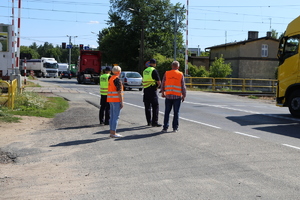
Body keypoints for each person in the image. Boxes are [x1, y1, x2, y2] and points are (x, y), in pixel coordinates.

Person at [161, 61, 186, 133]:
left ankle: (165, 127)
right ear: (178, 67)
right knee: (176, 112)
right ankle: (175, 128)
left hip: (168, 96)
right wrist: (184, 95)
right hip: (177, 96)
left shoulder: (167, 73)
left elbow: (163, 83)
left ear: (172, 66)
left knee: (167, 112)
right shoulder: (180, 74)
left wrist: (163, 92)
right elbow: (183, 86)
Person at [142, 58, 162, 127]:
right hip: (152, 90)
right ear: (154, 64)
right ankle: (154, 122)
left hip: (146, 90)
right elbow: (159, 82)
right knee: (155, 106)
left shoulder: (145, 71)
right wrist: (158, 87)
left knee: (147, 107)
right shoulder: (154, 70)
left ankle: (148, 122)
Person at [107, 66, 124, 138]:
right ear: (119, 72)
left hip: (110, 100)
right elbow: (119, 92)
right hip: (116, 100)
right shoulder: (117, 80)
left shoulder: (110, 78)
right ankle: (113, 133)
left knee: (112, 117)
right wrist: (122, 102)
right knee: (116, 117)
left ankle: (111, 132)